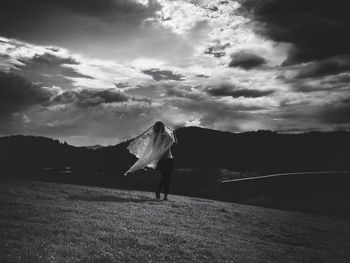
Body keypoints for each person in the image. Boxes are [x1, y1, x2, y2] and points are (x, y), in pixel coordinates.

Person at [124, 121, 176, 201]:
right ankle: (164, 195)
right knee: (167, 178)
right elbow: (173, 141)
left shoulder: (153, 136)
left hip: (162, 160)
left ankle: (161, 193)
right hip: (168, 159)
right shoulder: (166, 136)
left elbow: (150, 146)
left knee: (165, 177)